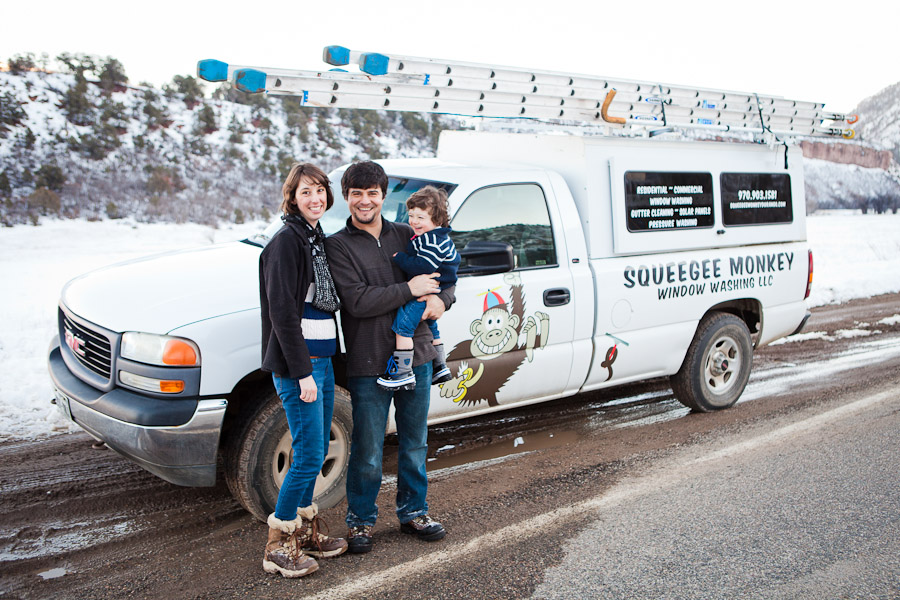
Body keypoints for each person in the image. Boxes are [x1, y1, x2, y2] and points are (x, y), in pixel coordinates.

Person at [325, 161, 454, 554]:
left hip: (416, 356)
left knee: (415, 442)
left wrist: (440, 301)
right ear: (347, 198)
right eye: (356, 194)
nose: (365, 201)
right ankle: (361, 522)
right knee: (367, 449)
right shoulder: (338, 245)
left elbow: (445, 277)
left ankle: (414, 512)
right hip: (367, 362)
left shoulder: (406, 233)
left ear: (383, 195)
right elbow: (358, 301)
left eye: (372, 193)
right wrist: (409, 288)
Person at [259, 163, 348, 578]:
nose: (315, 198)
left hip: (322, 361)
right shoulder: (286, 243)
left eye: (320, 191)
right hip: (302, 366)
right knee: (310, 453)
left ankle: (306, 530)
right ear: (292, 197)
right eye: (306, 191)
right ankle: (278, 544)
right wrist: (302, 373)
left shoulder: (314, 238)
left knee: (314, 448)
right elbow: (282, 313)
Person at [377, 185, 459, 390]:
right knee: (433, 327)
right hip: (433, 290)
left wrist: (401, 258)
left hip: (427, 292)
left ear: (437, 220)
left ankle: (402, 372)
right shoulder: (435, 236)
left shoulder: (433, 240)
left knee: (403, 327)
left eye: (420, 217)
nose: (413, 221)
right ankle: (440, 365)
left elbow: (424, 265)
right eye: (411, 215)